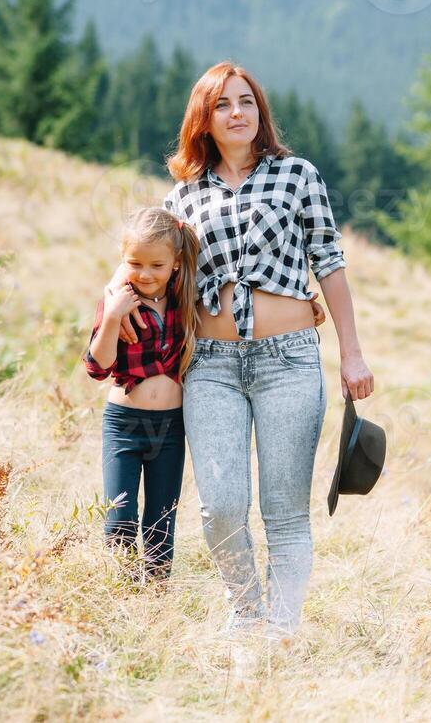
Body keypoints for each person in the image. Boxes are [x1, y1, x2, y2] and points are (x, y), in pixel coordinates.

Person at [120, 60, 375, 637]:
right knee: (222, 508)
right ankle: (247, 616)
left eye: (247, 103)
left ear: (260, 113)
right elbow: (144, 263)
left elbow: (330, 265)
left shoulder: (297, 175)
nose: (238, 113)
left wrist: (351, 354)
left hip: (288, 360)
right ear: (203, 120)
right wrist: (115, 298)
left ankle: (280, 635)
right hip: (209, 367)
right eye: (223, 105)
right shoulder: (182, 198)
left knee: (284, 513)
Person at [82, 206, 200, 583]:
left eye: (156, 265)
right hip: (125, 424)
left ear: (176, 263)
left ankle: (154, 600)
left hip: (170, 427)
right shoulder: (120, 301)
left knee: (161, 519)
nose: (145, 274)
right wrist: (114, 315)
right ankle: (120, 592)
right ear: (123, 258)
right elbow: (97, 367)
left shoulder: (186, 299)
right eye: (135, 264)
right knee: (120, 515)